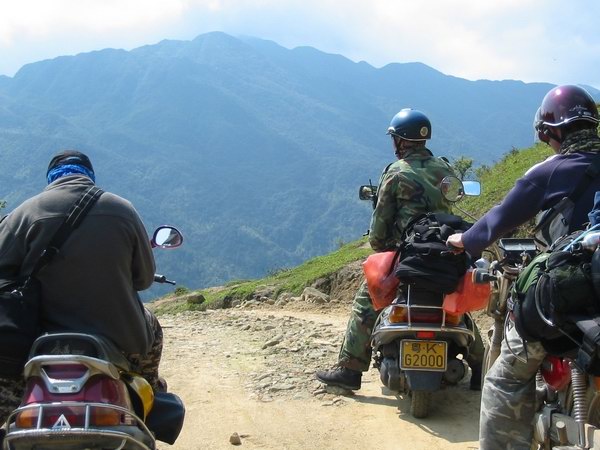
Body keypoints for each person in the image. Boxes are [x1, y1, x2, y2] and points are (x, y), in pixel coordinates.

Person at [446, 84, 600, 449]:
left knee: (505, 380)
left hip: (575, 295)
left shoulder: (551, 171)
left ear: (551, 133)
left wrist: (463, 240)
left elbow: (497, 220)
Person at [316, 108, 485, 391]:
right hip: (447, 252)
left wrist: (384, 248)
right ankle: (481, 366)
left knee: (366, 299)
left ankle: (350, 370)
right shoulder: (445, 169)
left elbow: (379, 228)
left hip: (408, 256)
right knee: (457, 301)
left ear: (400, 141)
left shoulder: (395, 172)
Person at [0, 150, 165, 426]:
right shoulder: (123, 210)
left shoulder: (24, 213)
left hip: (36, 340)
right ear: (89, 175)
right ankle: (148, 403)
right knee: (154, 331)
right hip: (120, 341)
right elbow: (144, 280)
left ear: (51, 178)